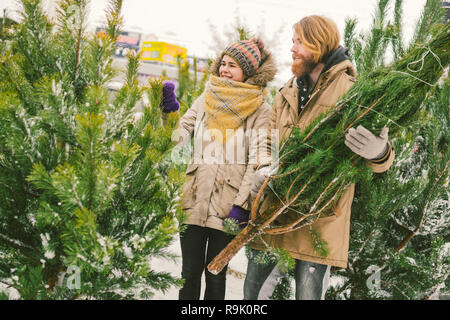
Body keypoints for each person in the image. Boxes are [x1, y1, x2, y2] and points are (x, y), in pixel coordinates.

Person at [244, 15, 395, 300]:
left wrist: (378, 152)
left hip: (319, 219)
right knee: (252, 295)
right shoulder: (286, 91)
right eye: (293, 42)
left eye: (299, 42)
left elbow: (383, 161)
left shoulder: (352, 92)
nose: (293, 48)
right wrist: (264, 166)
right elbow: (267, 140)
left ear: (319, 43)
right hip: (273, 212)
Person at [175, 38, 276, 300]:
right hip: (194, 198)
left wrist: (241, 205)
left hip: (229, 206)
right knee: (188, 274)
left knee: (215, 274)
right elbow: (183, 132)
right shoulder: (206, 98)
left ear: (249, 72)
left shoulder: (261, 111)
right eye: (223, 63)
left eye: (232, 65)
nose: (224, 69)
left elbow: (259, 160)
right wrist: (167, 116)